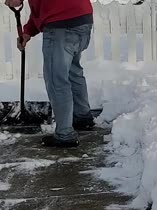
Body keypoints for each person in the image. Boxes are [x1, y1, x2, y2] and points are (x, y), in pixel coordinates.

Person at [4, 0, 95, 147]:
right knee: (73, 72)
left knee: (57, 80)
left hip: (61, 25)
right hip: (82, 19)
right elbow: (41, 8)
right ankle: (82, 118)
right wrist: (27, 32)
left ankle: (65, 134)